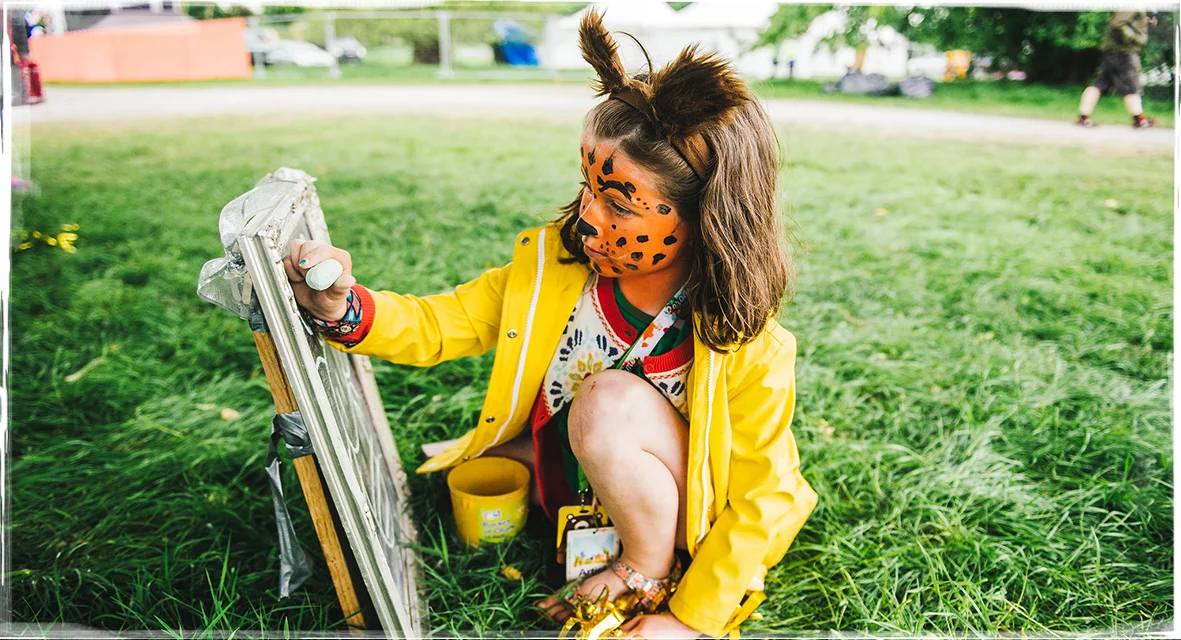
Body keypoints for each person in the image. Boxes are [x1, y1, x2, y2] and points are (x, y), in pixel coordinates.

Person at [284, 10, 817, 639]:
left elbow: (765, 495)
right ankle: (582, 515)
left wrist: (689, 621)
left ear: (708, 219)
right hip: (583, 475)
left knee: (608, 401)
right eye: (588, 186)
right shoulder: (553, 273)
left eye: (618, 204)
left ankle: (645, 567)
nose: (587, 217)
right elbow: (443, 321)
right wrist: (344, 308)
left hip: (676, 514)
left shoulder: (747, 343)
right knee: (479, 464)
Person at [1077, 10, 1158, 128]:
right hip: (1124, 51)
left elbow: (1126, 19)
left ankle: (1083, 118)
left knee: (1099, 83)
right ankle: (1140, 120)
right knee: (1132, 85)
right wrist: (1134, 38)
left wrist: (1142, 21)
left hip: (1116, 51)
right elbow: (1119, 24)